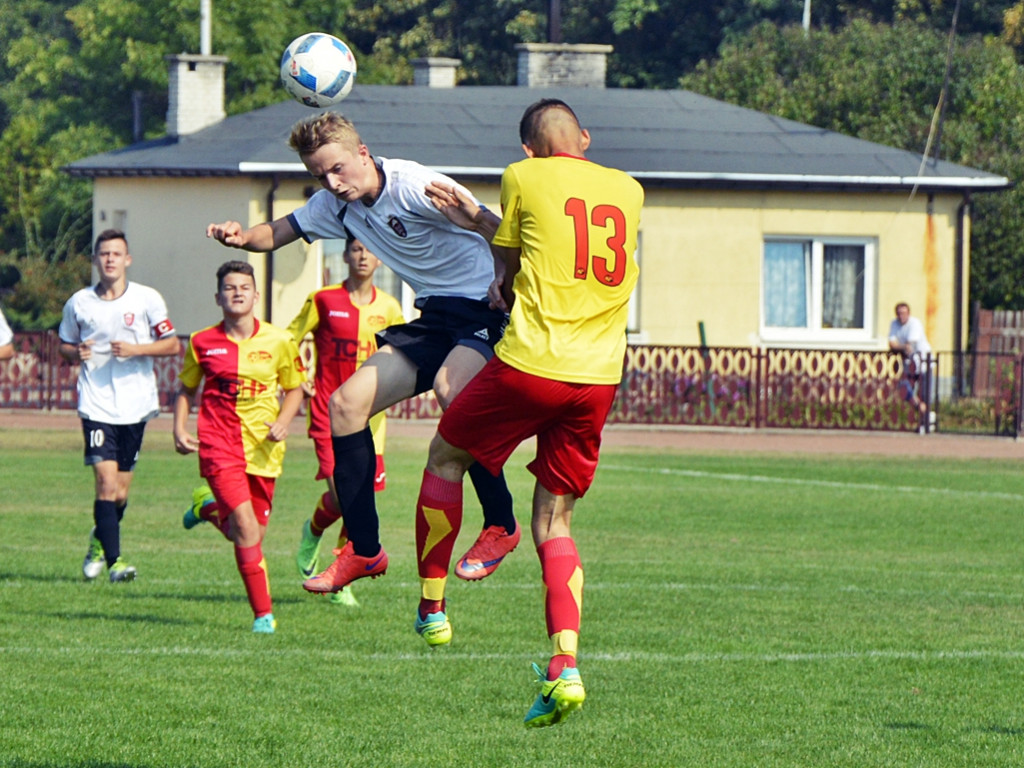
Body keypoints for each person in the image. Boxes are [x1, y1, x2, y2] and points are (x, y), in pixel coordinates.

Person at [205, 112, 520, 620]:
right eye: (319, 175)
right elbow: (280, 230)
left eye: (337, 169)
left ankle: (501, 523)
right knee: (345, 406)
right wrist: (241, 238)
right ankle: (365, 549)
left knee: (450, 389)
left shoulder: (417, 186)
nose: (331, 182)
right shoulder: (337, 206)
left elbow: (510, 236)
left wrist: (485, 233)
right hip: (436, 314)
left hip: (485, 307)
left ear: (363, 153)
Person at [413, 99, 642, 727]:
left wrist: (501, 280)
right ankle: (564, 668)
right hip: (597, 377)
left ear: (527, 150)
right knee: (557, 520)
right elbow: (564, 246)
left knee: (445, 455)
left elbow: (510, 258)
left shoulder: (523, 177)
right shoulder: (630, 190)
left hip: (534, 362)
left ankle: (432, 607)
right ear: (586, 139)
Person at [173, 260, 306, 633]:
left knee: (247, 534)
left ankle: (205, 507)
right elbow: (186, 390)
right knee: (247, 529)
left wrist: (284, 421)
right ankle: (264, 615)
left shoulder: (279, 341)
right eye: (229, 288)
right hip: (219, 444)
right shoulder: (202, 342)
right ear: (218, 297)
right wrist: (178, 428)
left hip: (263, 447)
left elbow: (295, 388)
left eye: (243, 287)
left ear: (256, 295)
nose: (237, 293)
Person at [286, 234, 404, 607]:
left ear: (380, 258)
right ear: (345, 256)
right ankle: (314, 531)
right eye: (355, 249)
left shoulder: (390, 308)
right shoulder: (323, 300)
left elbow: (403, 351)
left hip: (373, 422)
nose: (363, 255)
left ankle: (341, 577)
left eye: (370, 248)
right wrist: (297, 376)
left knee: (356, 501)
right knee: (344, 496)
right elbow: (289, 339)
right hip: (328, 415)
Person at [58, 229, 181, 583]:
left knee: (121, 493)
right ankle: (115, 562)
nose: (110, 259)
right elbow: (65, 344)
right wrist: (74, 352)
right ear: (95, 260)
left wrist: (136, 349)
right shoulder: (79, 302)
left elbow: (171, 345)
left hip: (136, 403)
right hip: (95, 403)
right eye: (104, 254)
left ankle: (99, 539)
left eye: (116, 254)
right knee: (106, 485)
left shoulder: (146, 299)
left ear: (127, 260)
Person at [888, 302, 932, 420]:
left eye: (904, 313)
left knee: (924, 393)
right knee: (904, 389)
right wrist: (900, 347)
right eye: (899, 313)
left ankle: (926, 419)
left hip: (923, 362)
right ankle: (921, 412)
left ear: (909, 313)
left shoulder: (914, 324)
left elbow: (909, 346)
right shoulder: (894, 324)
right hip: (908, 363)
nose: (901, 316)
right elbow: (892, 344)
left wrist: (899, 346)